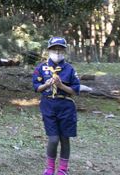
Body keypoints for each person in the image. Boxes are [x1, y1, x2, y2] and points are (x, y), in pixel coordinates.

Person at [33, 37, 80, 175]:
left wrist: (61, 85)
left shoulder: (70, 69)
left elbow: (75, 90)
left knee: (65, 138)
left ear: (64, 51)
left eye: (60, 49)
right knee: (53, 138)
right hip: (48, 105)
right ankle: (49, 168)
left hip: (66, 106)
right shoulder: (41, 68)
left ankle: (63, 169)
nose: (57, 52)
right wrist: (47, 84)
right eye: (54, 49)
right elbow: (36, 87)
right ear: (49, 50)